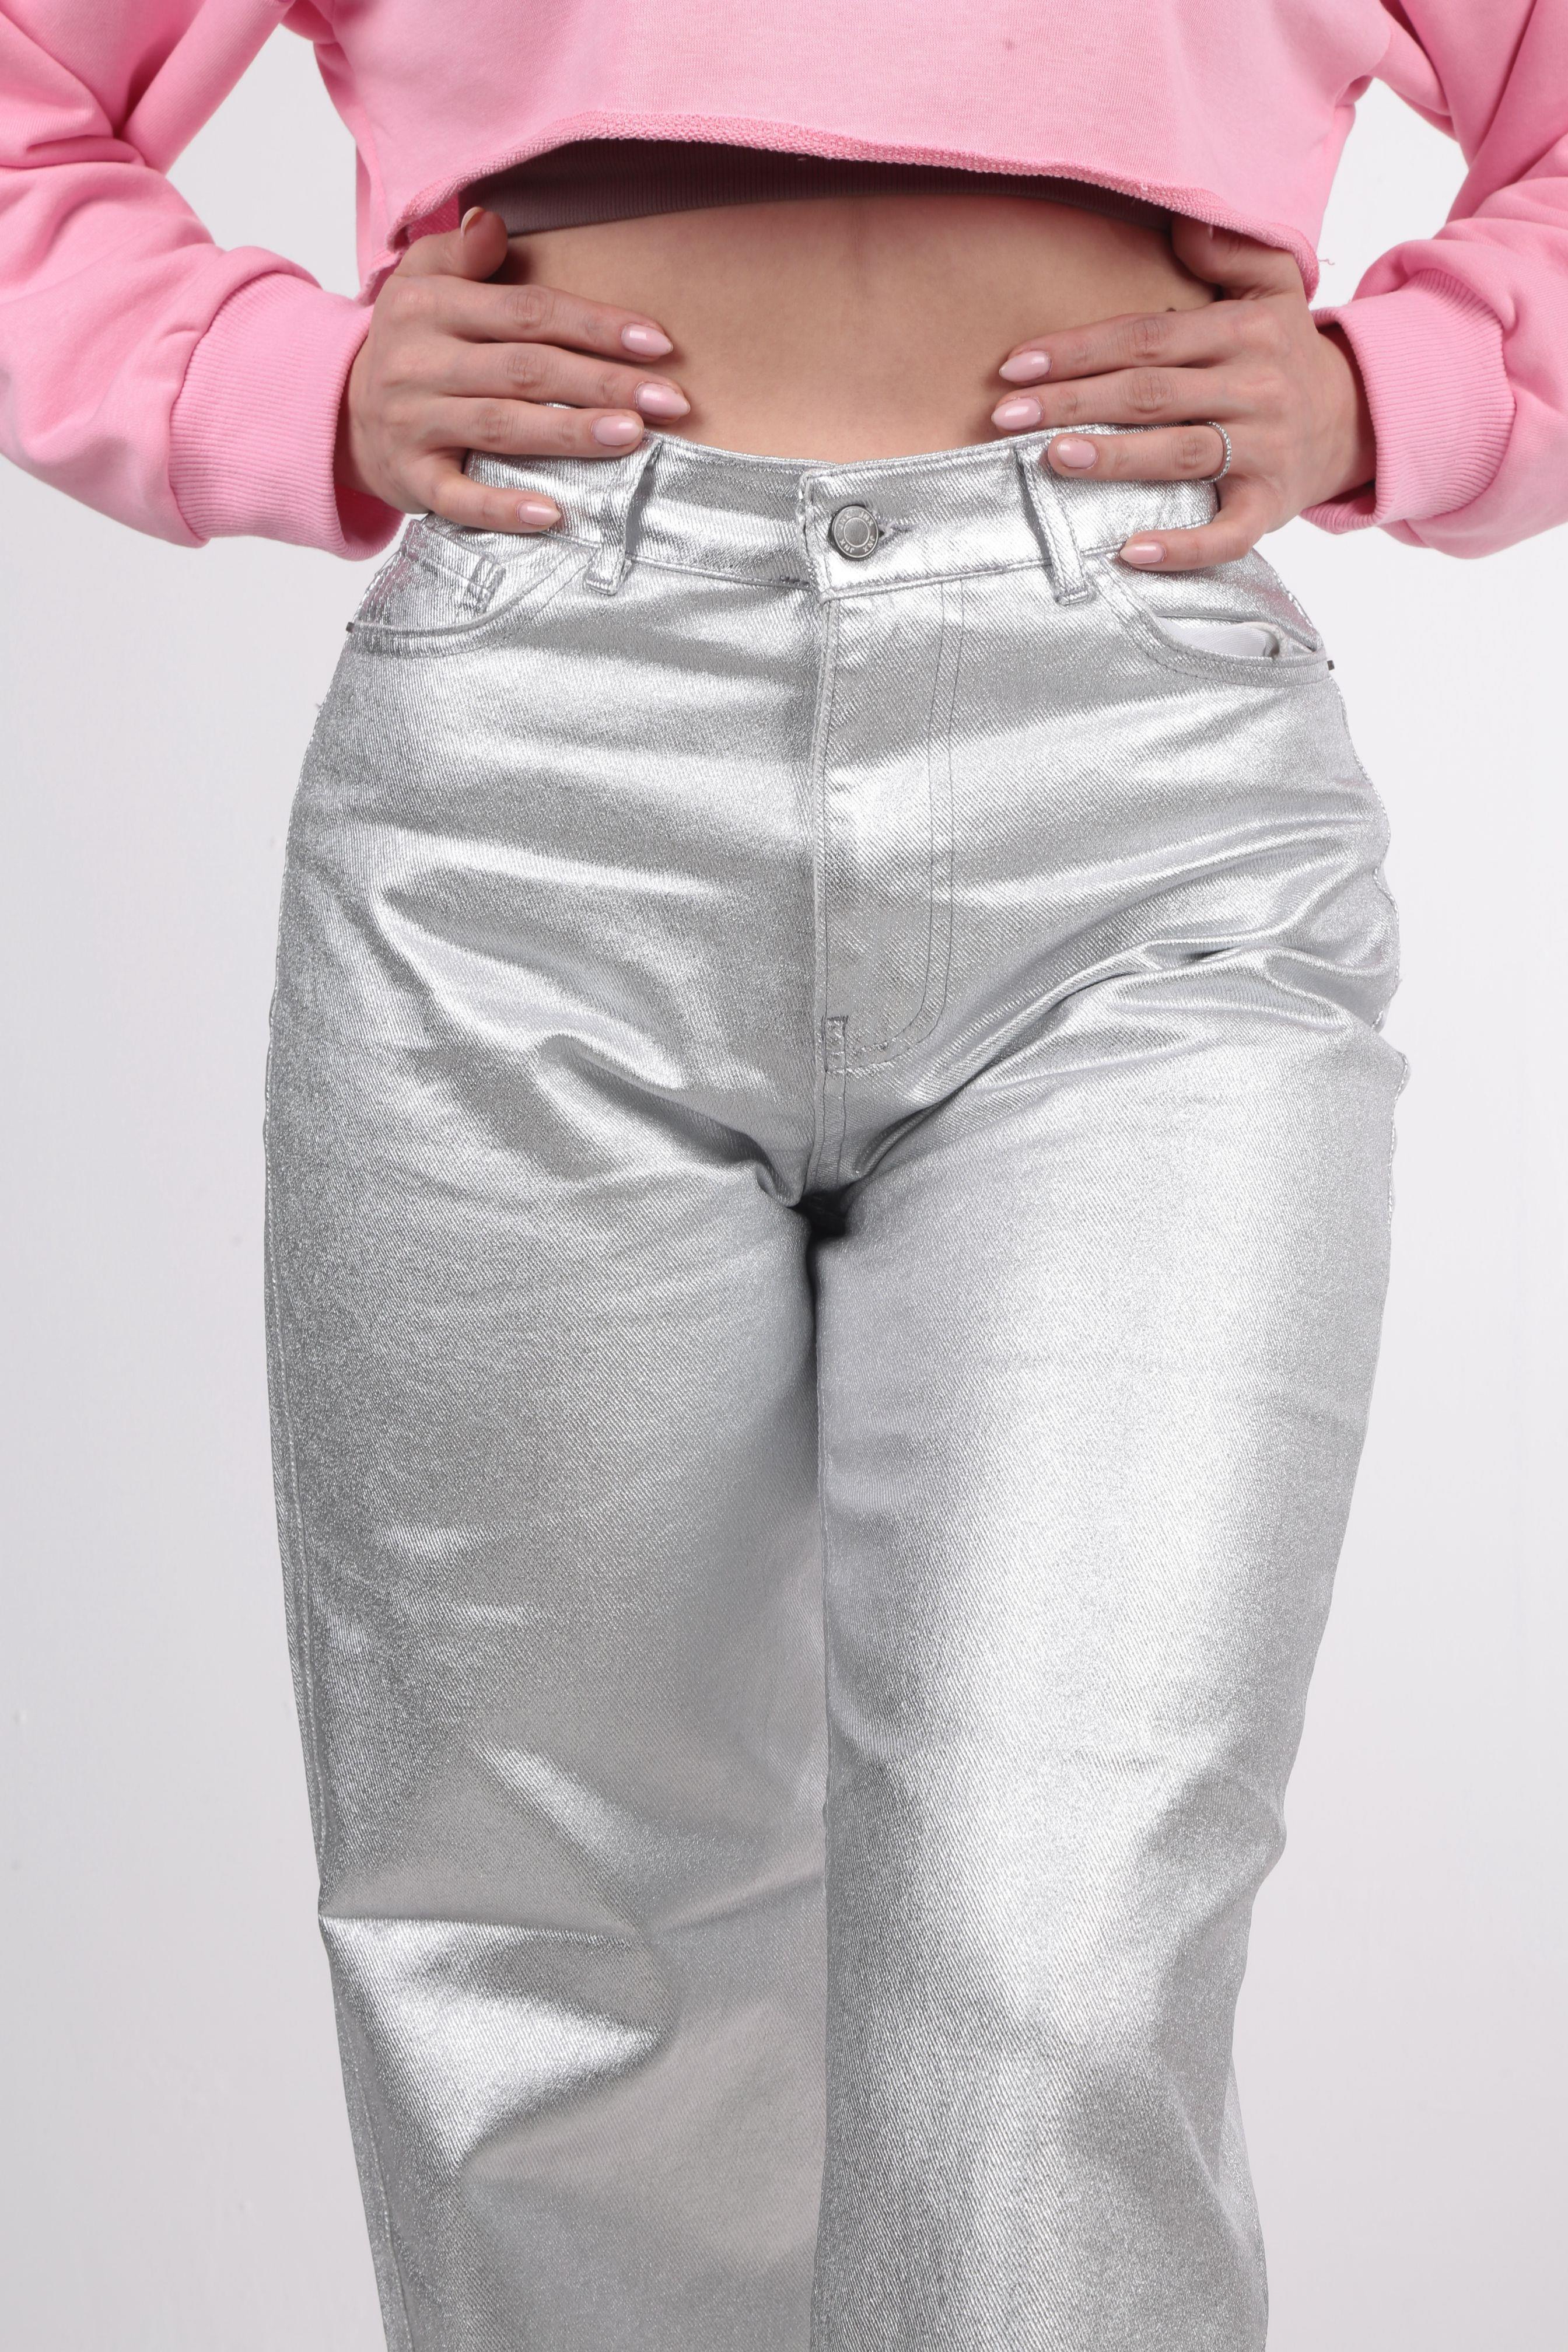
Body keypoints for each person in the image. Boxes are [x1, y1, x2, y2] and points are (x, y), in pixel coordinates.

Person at [2, 7, 1563, 2350]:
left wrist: (1398, 387)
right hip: (533, 795)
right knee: (548, 1959)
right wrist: (266, 373)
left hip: (1138, 805)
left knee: (1066, 1940)